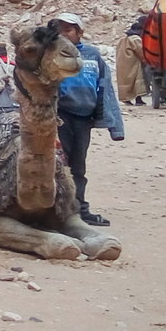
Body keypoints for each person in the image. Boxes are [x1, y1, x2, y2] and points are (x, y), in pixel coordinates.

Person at [52, 12, 124, 225]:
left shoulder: (92, 55)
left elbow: (105, 89)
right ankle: (59, 211)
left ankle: (79, 209)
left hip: (84, 118)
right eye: (59, 30)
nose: (63, 34)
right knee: (59, 164)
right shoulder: (51, 55)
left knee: (78, 165)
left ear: (80, 32)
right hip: (60, 117)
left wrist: (114, 126)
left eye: (68, 30)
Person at [116, 15, 150, 106]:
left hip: (124, 64)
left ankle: (127, 100)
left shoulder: (124, 39)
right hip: (133, 64)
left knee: (126, 82)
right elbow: (141, 52)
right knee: (137, 82)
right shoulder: (136, 39)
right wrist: (147, 61)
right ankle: (138, 100)